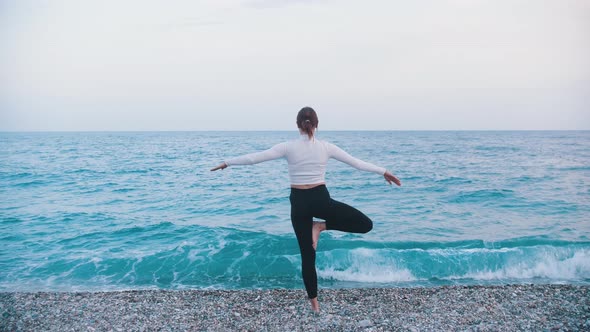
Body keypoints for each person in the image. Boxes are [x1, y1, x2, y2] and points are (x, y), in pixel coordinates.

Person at [211, 107, 401, 312]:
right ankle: (321, 226)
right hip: (321, 199)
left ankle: (315, 305)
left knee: (307, 256)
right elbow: (357, 163)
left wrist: (227, 163)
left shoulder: (287, 147)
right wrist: (384, 171)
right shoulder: (326, 147)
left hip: (299, 203)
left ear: (297, 125)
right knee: (366, 224)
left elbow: (256, 158)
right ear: (317, 124)